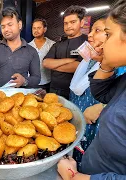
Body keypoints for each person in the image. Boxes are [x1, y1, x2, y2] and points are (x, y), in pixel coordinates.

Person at [58, 0, 126, 179]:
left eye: (108, 34)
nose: (102, 41)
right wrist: (105, 62)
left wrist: (76, 178)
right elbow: (102, 93)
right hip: (91, 164)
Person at [68, 18, 106, 168]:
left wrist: (103, 106)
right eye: (91, 30)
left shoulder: (119, 66)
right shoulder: (90, 60)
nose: (89, 35)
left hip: (97, 127)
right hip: (81, 119)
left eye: (97, 30)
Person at [43, 5, 88, 99]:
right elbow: (46, 63)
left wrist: (54, 66)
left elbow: (78, 67)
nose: (68, 26)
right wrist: (68, 60)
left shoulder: (87, 42)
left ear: (82, 22)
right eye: (66, 23)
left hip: (75, 92)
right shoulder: (58, 44)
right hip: (54, 90)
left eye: (73, 22)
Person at [28, 18, 55, 91]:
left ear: (45, 29)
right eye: (34, 28)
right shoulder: (27, 46)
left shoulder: (52, 45)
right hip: (31, 83)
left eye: (39, 28)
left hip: (47, 82)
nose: (36, 30)